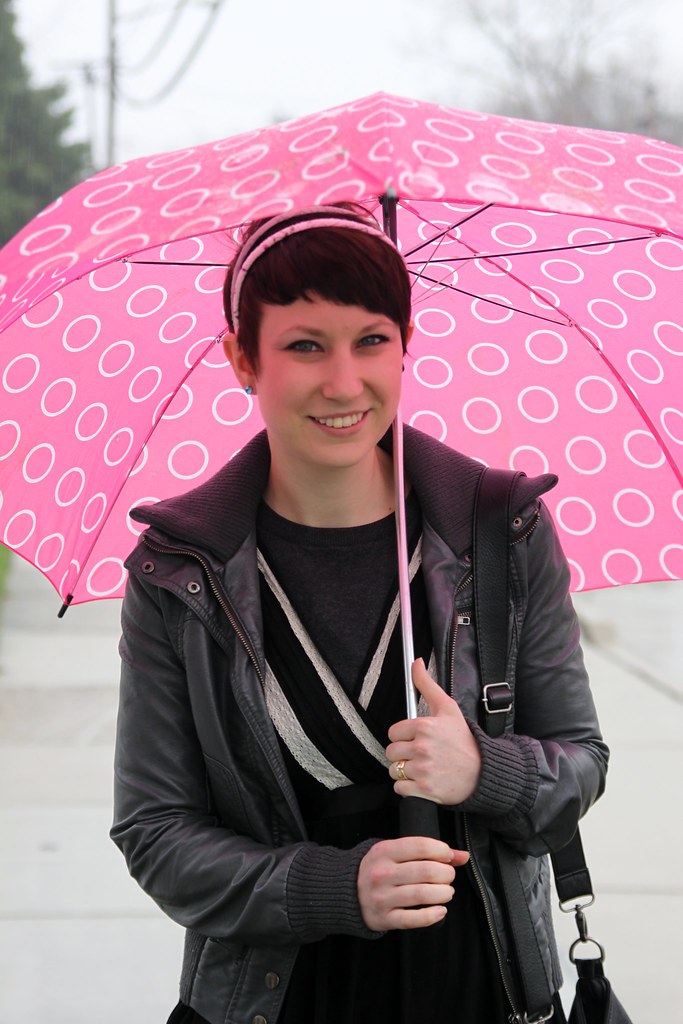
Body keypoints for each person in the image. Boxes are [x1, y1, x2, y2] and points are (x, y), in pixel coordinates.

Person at [111, 203, 609, 1024]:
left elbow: (579, 765)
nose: (344, 382)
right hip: (274, 997)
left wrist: (485, 770)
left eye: (371, 341)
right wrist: (336, 888)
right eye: (305, 345)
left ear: (405, 344)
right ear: (243, 358)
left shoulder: (501, 532)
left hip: (480, 990)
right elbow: (157, 832)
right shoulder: (179, 568)